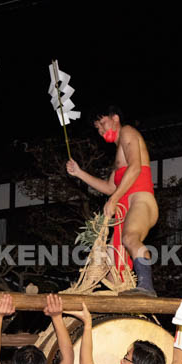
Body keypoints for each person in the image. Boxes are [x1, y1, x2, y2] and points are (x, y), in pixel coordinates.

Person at [66, 106, 159, 296]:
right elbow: (110, 187)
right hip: (127, 206)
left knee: (130, 238)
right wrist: (79, 173)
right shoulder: (119, 152)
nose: (100, 130)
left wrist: (114, 200)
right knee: (110, 262)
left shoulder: (127, 131)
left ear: (115, 118)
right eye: (97, 127)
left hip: (140, 200)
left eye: (102, 123)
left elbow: (135, 169)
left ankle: (146, 286)